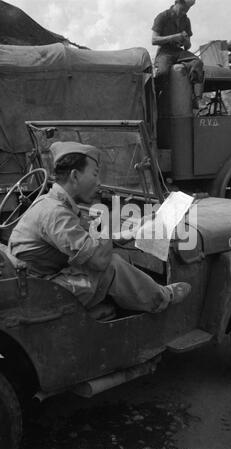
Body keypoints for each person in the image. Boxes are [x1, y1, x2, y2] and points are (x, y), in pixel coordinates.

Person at [8, 141, 191, 314]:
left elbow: (88, 241)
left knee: (115, 257)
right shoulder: (55, 213)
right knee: (111, 265)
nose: (98, 182)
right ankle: (161, 299)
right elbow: (99, 261)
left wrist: (133, 232)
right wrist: (108, 223)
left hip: (35, 284)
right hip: (39, 293)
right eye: (95, 174)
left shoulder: (53, 204)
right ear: (74, 176)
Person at [152, 0, 204, 105]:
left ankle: (196, 98)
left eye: (188, 9)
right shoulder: (162, 16)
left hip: (179, 52)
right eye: (183, 8)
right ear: (177, 3)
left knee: (197, 63)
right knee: (162, 73)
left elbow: (188, 46)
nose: (185, 12)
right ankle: (157, 100)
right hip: (164, 52)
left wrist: (186, 41)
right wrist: (174, 37)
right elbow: (154, 40)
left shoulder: (186, 21)